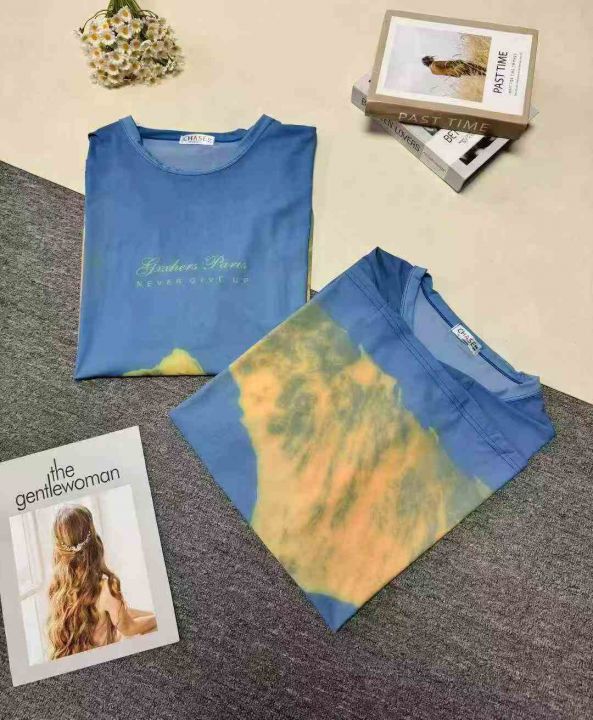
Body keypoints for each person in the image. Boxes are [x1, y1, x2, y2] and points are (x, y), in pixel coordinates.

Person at [47, 504, 157, 659]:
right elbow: (129, 627)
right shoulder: (106, 588)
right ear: (92, 539)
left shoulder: (58, 587)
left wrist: (154, 613)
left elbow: (121, 614)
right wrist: (159, 618)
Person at [421, 55, 486, 77]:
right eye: (429, 57)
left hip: (455, 73)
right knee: (471, 65)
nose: (431, 57)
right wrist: (459, 61)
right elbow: (447, 63)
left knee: (474, 73)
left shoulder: (433, 72)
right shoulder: (434, 63)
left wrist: (455, 75)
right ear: (429, 60)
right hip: (456, 68)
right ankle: (486, 70)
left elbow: (445, 74)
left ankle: (484, 74)